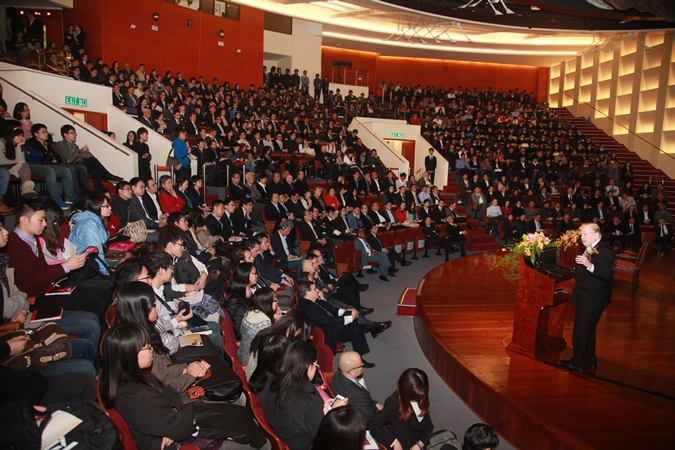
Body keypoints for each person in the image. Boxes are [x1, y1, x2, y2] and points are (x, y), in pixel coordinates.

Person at [99, 322, 269, 450]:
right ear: (129, 355)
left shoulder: (133, 377)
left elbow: (168, 391)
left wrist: (173, 413)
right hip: (182, 442)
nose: (151, 350)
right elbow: (181, 427)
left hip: (178, 422)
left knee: (243, 419)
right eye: (146, 347)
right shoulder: (138, 396)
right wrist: (175, 419)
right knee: (262, 443)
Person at [6, 198, 108, 324]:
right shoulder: (14, 246)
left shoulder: (33, 238)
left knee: (102, 292)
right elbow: (29, 283)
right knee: (95, 302)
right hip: (36, 298)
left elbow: (43, 269)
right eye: (41, 220)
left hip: (49, 289)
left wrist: (68, 264)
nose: (45, 224)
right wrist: (65, 267)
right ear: (24, 220)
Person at [258, 341, 348, 450]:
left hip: (284, 435)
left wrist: (322, 411)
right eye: (316, 365)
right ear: (307, 366)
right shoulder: (309, 401)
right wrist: (333, 414)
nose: (316, 369)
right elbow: (324, 438)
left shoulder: (273, 383)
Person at [560, 223, 614, 372]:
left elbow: (607, 274)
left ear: (596, 235)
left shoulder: (603, 251)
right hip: (588, 296)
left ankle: (578, 362)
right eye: (581, 234)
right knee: (588, 330)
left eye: (585, 234)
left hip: (592, 298)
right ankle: (590, 359)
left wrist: (589, 265)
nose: (582, 237)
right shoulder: (592, 247)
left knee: (581, 332)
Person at [367, 368, 434, 450]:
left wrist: (419, 444)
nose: (420, 398)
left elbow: (429, 426)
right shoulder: (394, 404)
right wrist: (394, 442)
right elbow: (372, 424)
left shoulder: (421, 396)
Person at [54, 124, 122, 191]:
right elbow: (68, 157)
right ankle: (107, 176)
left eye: (75, 133)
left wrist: (81, 152)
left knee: (95, 168)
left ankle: (99, 190)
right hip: (69, 164)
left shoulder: (75, 146)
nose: (74, 135)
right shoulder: (60, 144)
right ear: (65, 135)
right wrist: (81, 151)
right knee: (92, 160)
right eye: (72, 133)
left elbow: (77, 156)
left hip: (78, 163)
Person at [330, 351, 382, 422]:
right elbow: (371, 417)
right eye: (361, 364)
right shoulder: (360, 395)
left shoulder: (336, 376)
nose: (363, 364)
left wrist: (374, 403)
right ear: (352, 372)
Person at [68, 192, 111, 275]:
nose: (110, 208)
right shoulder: (88, 225)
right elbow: (96, 254)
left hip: (90, 263)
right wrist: (107, 274)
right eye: (106, 206)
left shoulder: (95, 220)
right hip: (82, 268)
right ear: (96, 206)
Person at [238, 287, 281, 365]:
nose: (278, 302)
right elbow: (270, 345)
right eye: (275, 300)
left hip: (242, 353)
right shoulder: (264, 321)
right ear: (266, 302)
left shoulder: (250, 312)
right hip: (250, 359)